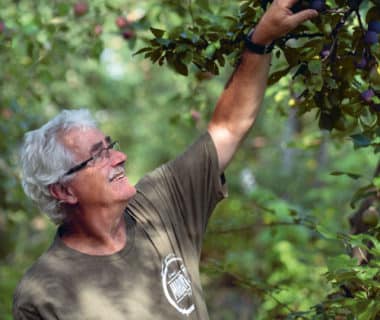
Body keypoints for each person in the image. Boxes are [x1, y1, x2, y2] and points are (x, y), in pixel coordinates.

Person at [13, 1, 318, 319]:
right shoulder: (42, 294)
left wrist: (260, 40)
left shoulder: (159, 205)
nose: (120, 157)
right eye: (98, 155)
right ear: (64, 191)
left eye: (110, 145)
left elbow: (228, 127)